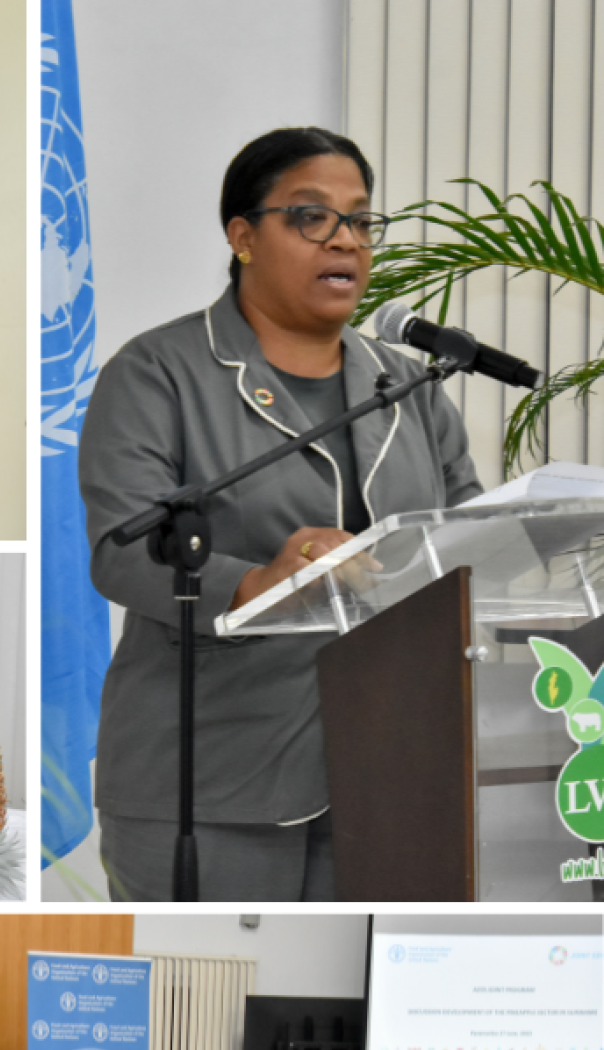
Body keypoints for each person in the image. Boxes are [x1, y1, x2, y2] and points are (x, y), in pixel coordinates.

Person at [77, 126, 484, 901]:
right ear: (243, 237)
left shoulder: (409, 385)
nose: (346, 240)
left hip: (390, 775)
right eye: (311, 217)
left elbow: (464, 539)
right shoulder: (158, 373)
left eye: (361, 220)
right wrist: (260, 580)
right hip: (210, 779)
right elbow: (124, 549)